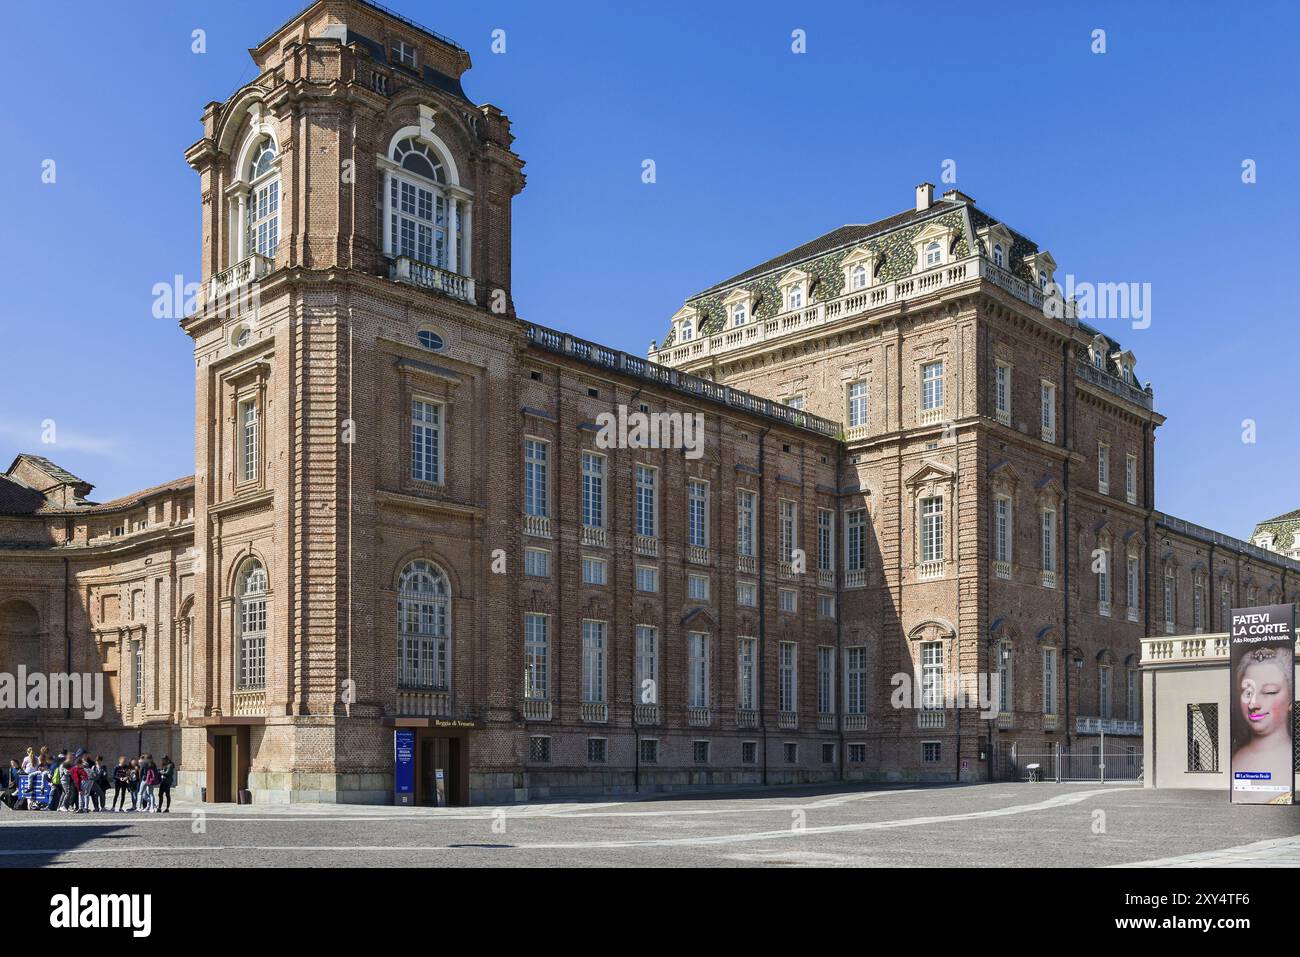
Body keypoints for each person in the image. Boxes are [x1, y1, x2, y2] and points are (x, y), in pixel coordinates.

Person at [1231, 644, 1295, 804]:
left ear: (1291, 699)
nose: (1253, 704)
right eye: (1248, 692)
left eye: (1269, 692)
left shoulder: (1290, 758)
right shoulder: (1236, 757)